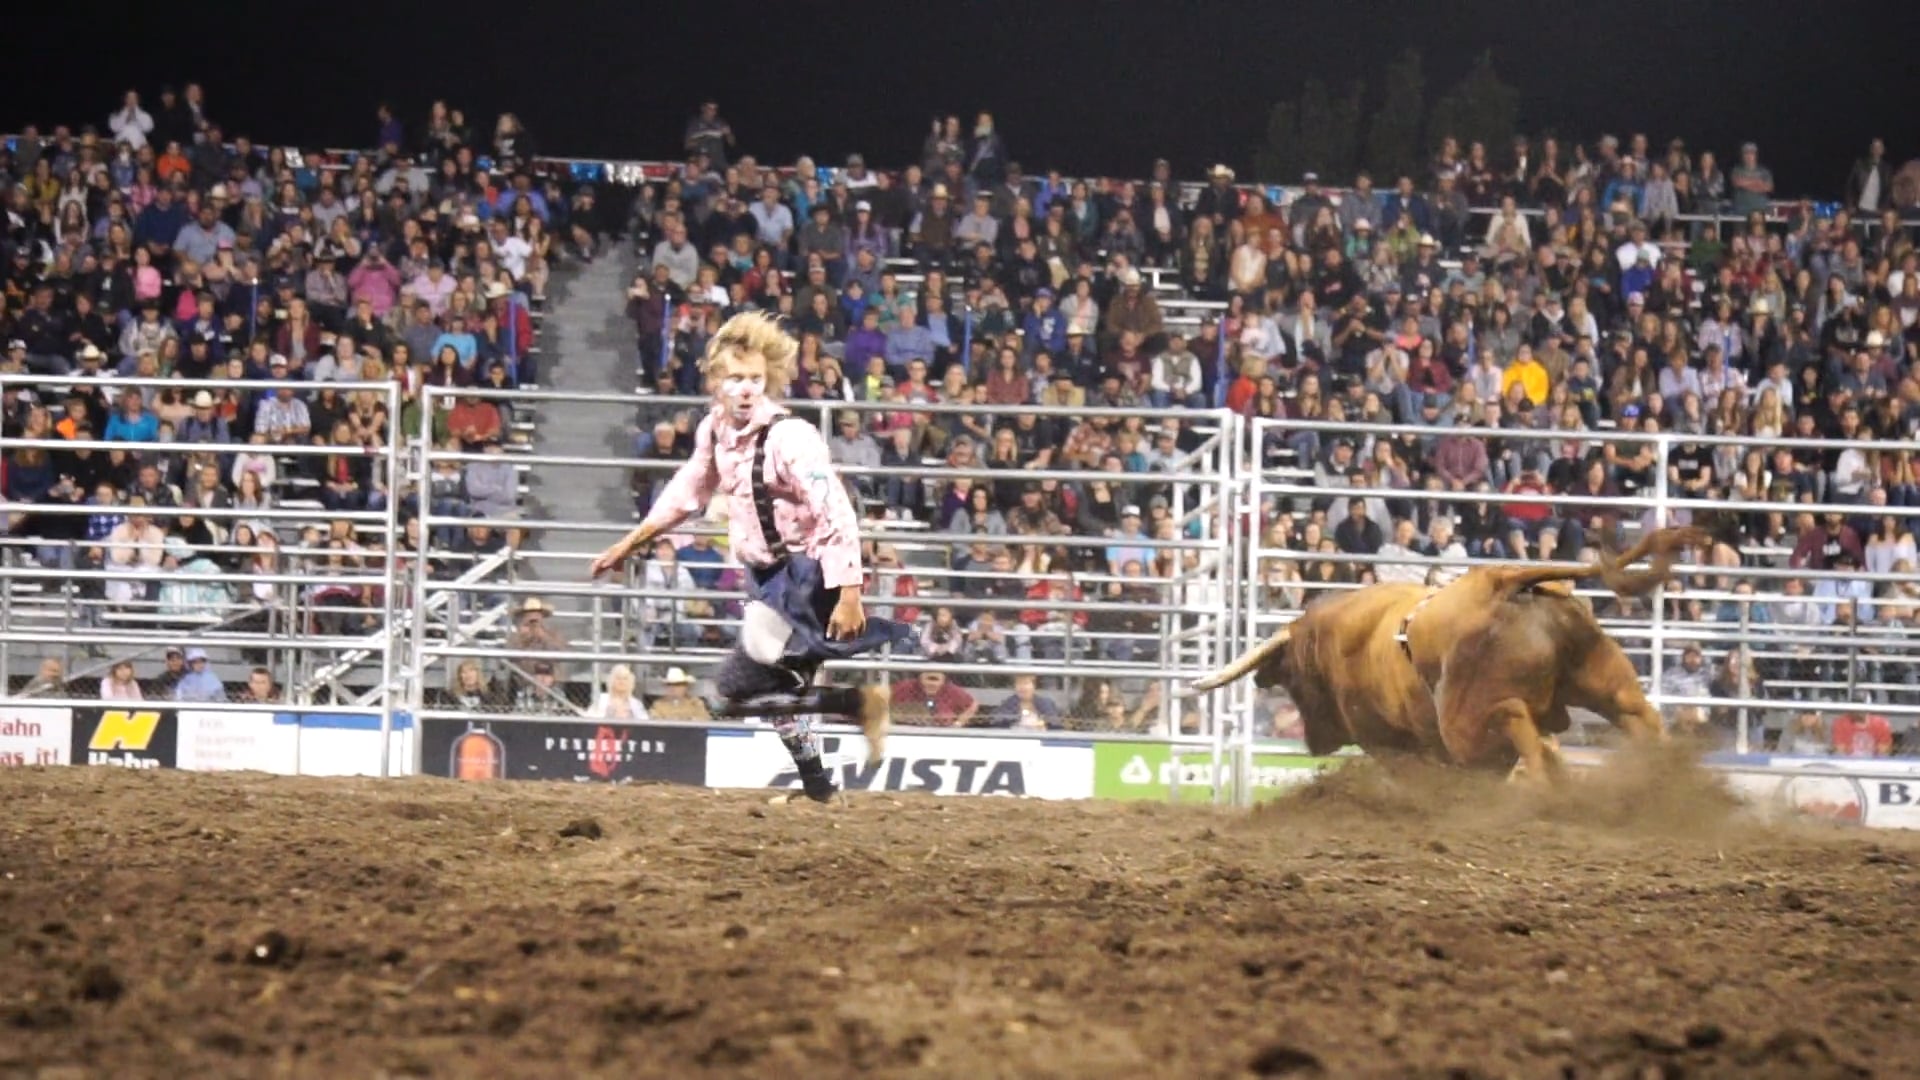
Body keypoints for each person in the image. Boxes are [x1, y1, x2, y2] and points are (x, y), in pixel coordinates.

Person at [592, 311, 907, 803]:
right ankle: (821, 783)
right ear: (716, 380)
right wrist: (631, 542)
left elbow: (835, 511)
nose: (745, 389)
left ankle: (858, 704)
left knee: (736, 688)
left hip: (806, 575)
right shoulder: (715, 430)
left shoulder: (790, 437)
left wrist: (849, 592)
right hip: (767, 577)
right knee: (773, 694)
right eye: (735, 378)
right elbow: (687, 491)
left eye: (755, 379)